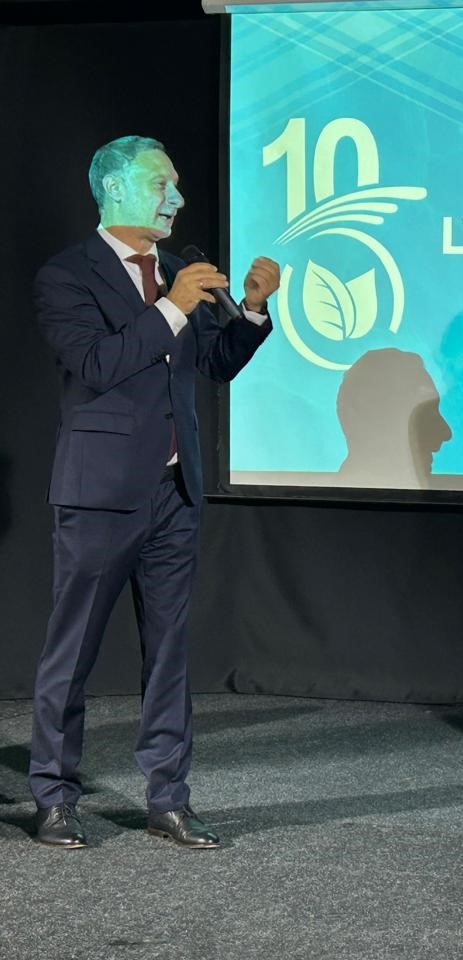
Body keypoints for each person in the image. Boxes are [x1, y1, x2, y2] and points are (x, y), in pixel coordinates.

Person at [28, 135, 278, 849]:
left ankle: (169, 798)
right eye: (161, 184)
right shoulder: (67, 275)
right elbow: (95, 363)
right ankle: (54, 796)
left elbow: (213, 362)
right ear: (113, 189)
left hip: (174, 492)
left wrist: (251, 311)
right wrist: (170, 306)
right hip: (101, 493)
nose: (178, 198)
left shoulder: (174, 272)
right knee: (72, 651)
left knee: (169, 653)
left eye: (175, 185)